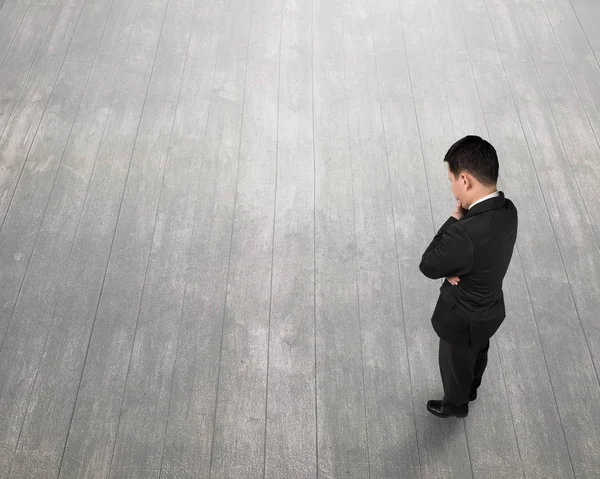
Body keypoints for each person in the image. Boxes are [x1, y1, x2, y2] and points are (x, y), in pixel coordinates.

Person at [419, 135, 518, 418]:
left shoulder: (464, 234)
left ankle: (456, 405)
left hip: (461, 320)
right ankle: (472, 389)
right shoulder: (508, 210)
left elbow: (428, 264)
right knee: (478, 356)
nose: (452, 189)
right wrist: (459, 265)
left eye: (451, 181)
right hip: (490, 310)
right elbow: (486, 252)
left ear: (465, 180)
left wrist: (454, 219)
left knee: (455, 366)